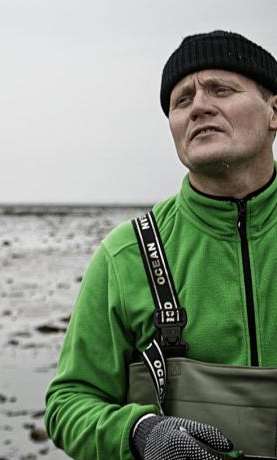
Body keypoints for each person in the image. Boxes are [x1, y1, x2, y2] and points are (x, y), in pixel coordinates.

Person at [45, 30, 277, 460]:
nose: (200, 106)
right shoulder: (126, 254)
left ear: (273, 111)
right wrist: (140, 433)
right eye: (182, 100)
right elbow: (68, 404)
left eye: (221, 90)